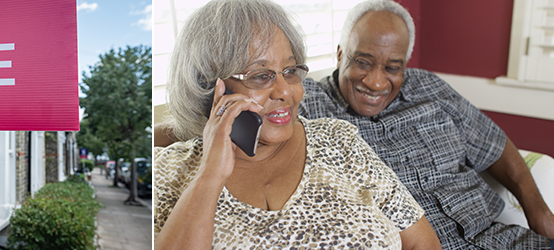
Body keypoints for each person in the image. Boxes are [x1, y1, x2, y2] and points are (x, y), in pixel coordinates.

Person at [153, 0, 441, 249]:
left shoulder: (339, 140)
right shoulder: (166, 173)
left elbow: (421, 242)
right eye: (260, 75)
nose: (286, 91)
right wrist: (210, 175)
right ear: (207, 85)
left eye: (289, 71)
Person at [296, 0, 554, 249]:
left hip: (501, 239)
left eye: (392, 67)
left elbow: (494, 145)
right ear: (341, 54)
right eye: (362, 62)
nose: (375, 82)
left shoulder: (429, 87)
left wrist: (540, 213)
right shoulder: (307, 106)